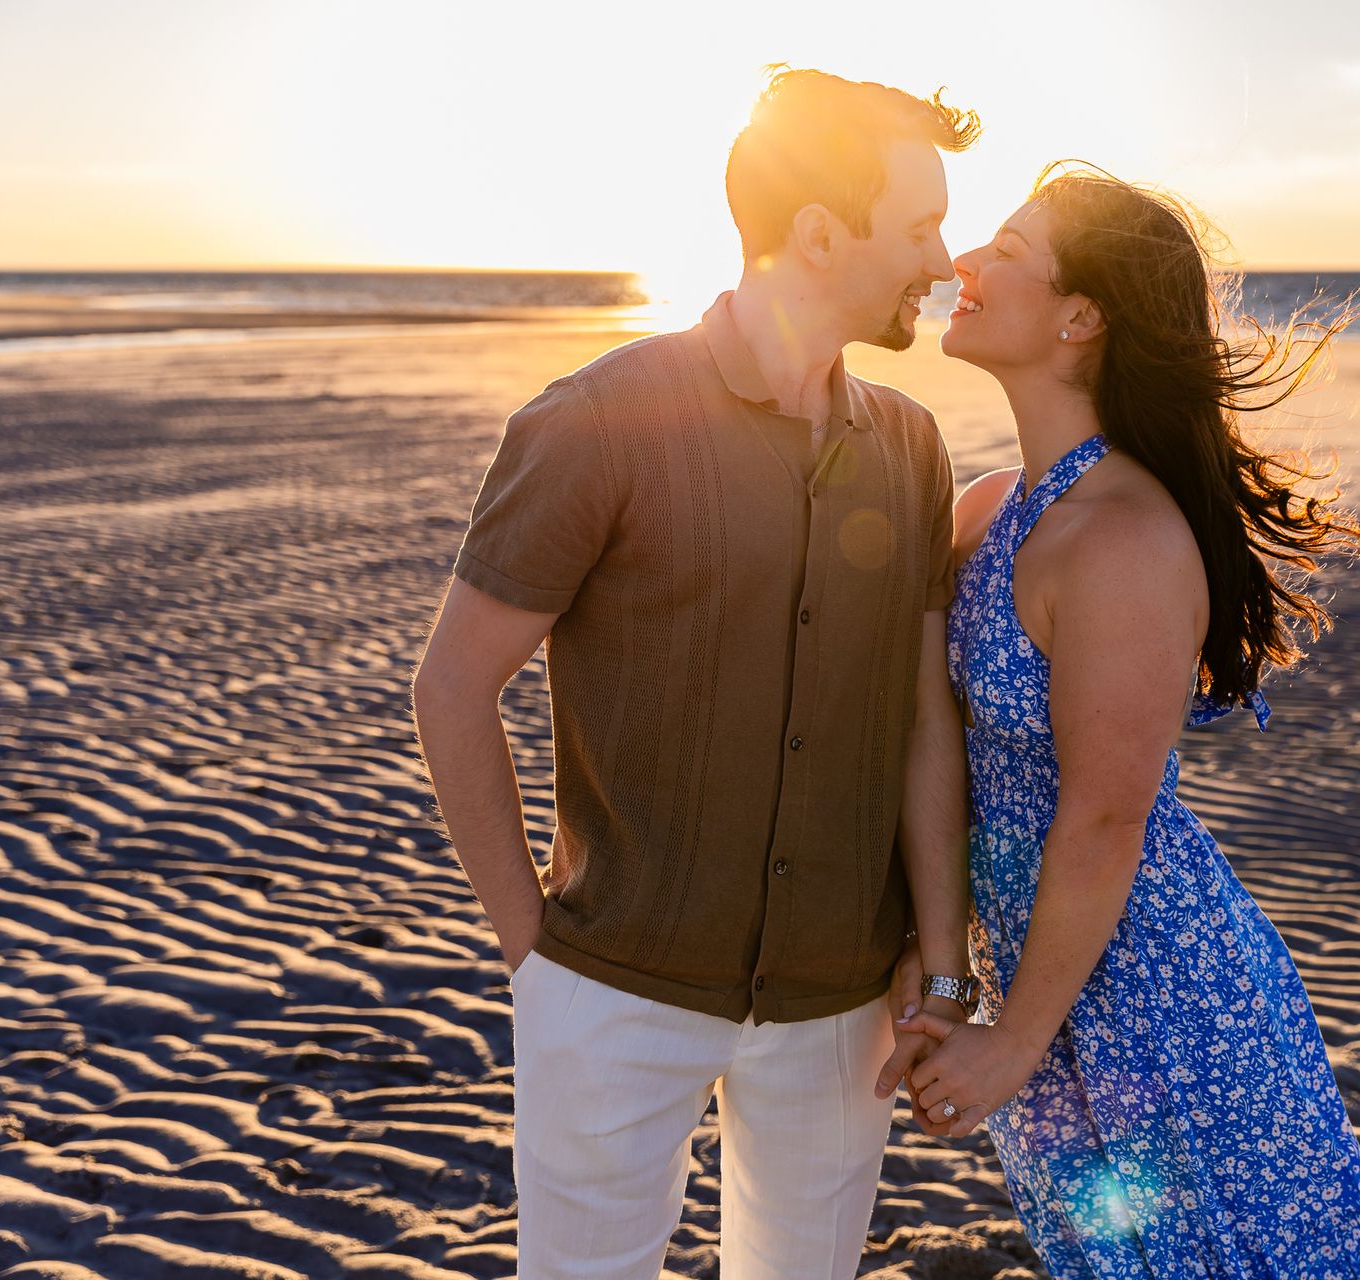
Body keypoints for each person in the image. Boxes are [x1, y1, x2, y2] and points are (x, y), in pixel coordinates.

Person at [409, 68, 982, 1280]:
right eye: (920, 225)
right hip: (611, 991)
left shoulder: (916, 447)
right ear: (821, 234)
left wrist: (940, 961)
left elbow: (927, 719)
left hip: (842, 1009)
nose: (945, 255)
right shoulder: (595, 422)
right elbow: (453, 689)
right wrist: (536, 957)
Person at [885, 165, 1360, 1277]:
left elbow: (1107, 817)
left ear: (1081, 317)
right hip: (1051, 984)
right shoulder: (993, 510)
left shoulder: (1124, 537)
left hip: (1163, 992)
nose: (965, 265)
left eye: (1009, 248)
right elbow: (925, 735)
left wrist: (1012, 1042)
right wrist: (938, 967)